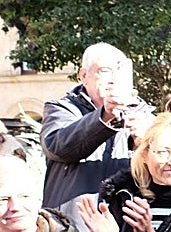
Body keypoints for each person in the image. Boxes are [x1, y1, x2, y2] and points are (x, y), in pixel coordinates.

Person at [40, 42, 142, 216]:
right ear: (83, 75)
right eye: (104, 71)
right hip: (71, 227)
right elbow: (60, 146)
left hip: (126, 226)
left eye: (119, 72)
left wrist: (146, 142)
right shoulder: (61, 109)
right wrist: (105, 116)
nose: (113, 79)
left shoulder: (142, 114)